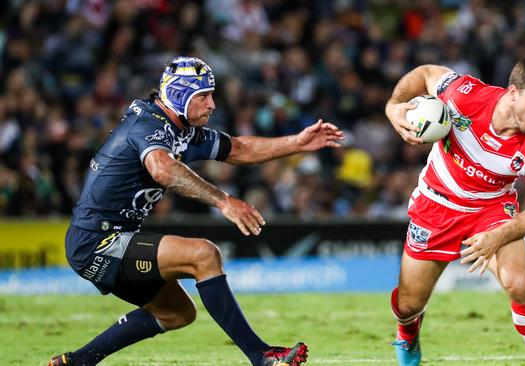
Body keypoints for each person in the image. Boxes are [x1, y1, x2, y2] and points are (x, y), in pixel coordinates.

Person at [48, 56, 344, 366]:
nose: (212, 104)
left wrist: (296, 143)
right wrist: (224, 201)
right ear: (178, 94)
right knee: (203, 254)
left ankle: (77, 362)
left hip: (111, 239)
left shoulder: (184, 131)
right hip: (97, 241)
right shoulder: (147, 123)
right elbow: (162, 169)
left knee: (177, 313)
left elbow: (239, 149)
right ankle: (262, 356)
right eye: (202, 96)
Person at [384, 54, 525, 366]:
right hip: (437, 204)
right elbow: (427, 73)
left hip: (492, 209)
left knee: (519, 283)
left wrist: (498, 235)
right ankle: (408, 333)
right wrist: (394, 106)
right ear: (513, 92)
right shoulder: (463, 96)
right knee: (408, 305)